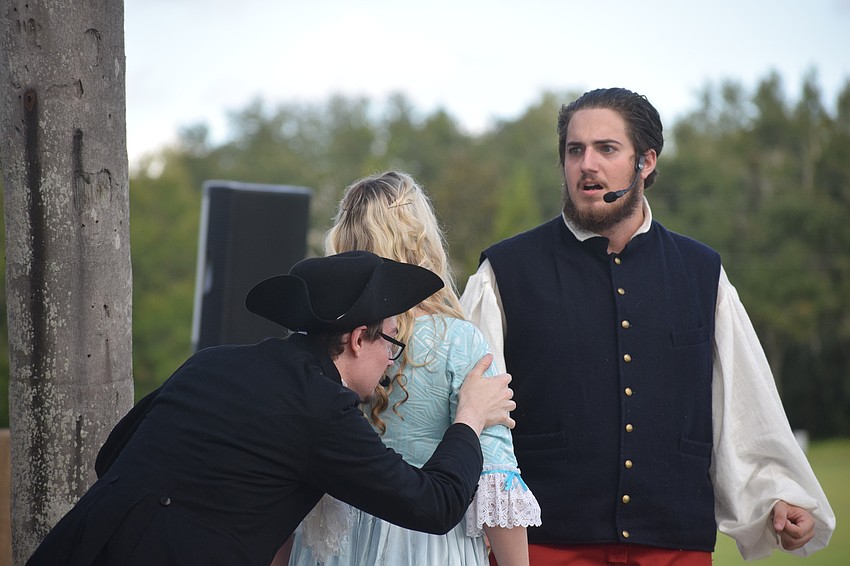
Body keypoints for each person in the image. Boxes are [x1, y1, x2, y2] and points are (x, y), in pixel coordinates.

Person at [460, 87, 835, 565]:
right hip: (544, 545)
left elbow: (742, 405)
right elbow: (470, 414)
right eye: (575, 151)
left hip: (674, 545)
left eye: (607, 149)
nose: (587, 165)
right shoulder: (504, 272)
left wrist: (776, 496)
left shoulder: (702, 273)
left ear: (647, 162)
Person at [26, 250, 517, 566]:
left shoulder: (212, 362)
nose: (393, 358)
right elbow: (432, 505)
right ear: (355, 339)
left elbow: (111, 455)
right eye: (391, 340)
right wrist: (469, 418)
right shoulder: (321, 408)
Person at [287, 171, 541, 566]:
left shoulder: (320, 338)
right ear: (421, 238)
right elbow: (496, 477)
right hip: (427, 543)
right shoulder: (458, 341)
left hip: (332, 547)